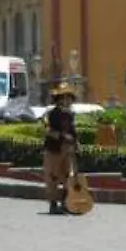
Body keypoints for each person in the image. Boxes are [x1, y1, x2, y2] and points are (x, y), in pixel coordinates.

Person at [42, 81, 78, 216]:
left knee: (67, 176)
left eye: (69, 97)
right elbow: (48, 130)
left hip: (66, 150)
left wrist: (75, 143)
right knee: (53, 177)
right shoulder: (52, 114)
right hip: (54, 149)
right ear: (59, 99)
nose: (67, 100)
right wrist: (63, 136)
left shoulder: (70, 115)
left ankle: (65, 203)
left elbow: (72, 131)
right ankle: (53, 204)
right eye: (64, 97)